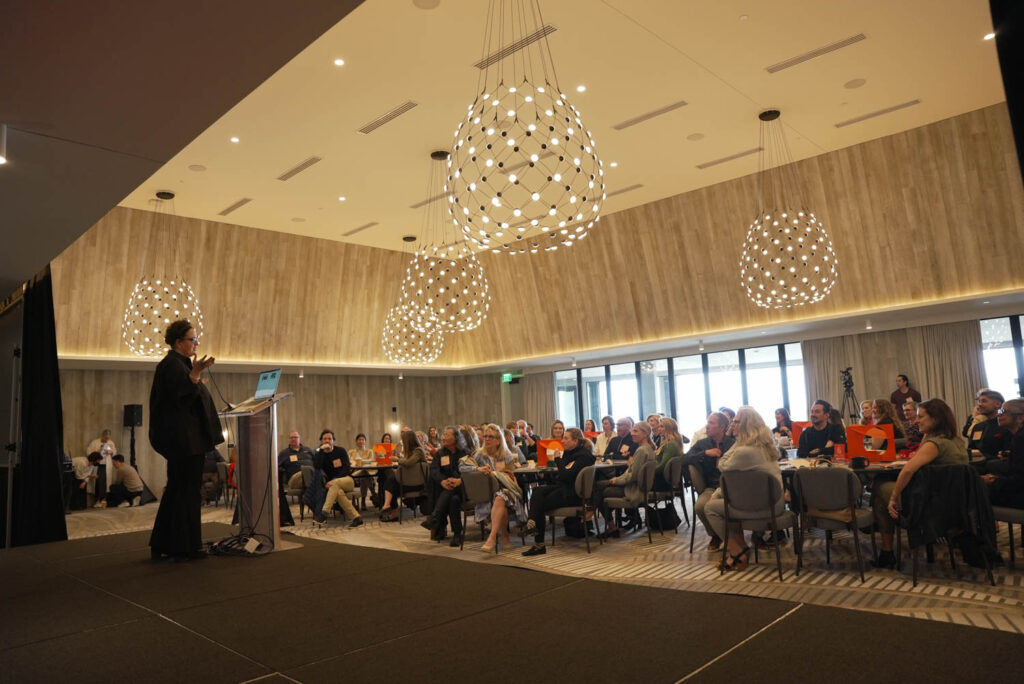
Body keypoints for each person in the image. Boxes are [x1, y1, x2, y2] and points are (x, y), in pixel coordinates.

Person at [148, 319, 223, 561]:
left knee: (178, 491)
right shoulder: (171, 365)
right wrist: (195, 374)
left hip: (187, 442)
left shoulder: (180, 365)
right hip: (184, 442)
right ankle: (185, 546)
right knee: (186, 492)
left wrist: (195, 375)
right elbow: (180, 397)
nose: (196, 344)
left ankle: (166, 544)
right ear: (179, 342)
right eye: (192, 339)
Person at [871, 398, 968, 569]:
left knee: (880, 486)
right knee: (884, 494)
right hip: (955, 503)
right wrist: (926, 433)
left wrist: (894, 498)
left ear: (935, 419)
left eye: (920, 417)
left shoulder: (934, 445)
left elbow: (908, 469)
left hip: (928, 504)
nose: (916, 421)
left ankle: (887, 552)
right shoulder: (957, 441)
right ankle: (887, 552)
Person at [704, 407, 785, 571]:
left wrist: (735, 441)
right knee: (725, 502)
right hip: (775, 502)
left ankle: (738, 551)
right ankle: (740, 549)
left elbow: (722, 464)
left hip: (762, 506)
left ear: (745, 425)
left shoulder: (744, 451)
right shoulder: (763, 446)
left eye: (736, 421)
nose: (732, 424)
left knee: (710, 508)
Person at [522, 427, 596, 555]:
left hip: (573, 494)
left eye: (566, 438)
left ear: (576, 441)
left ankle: (538, 542)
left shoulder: (583, 456)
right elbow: (561, 475)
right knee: (537, 491)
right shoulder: (569, 453)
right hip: (563, 488)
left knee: (538, 503)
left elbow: (566, 475)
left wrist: (557, 459)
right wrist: (545, 475)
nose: (562, 441)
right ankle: (532, 523)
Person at [462, 423, 524, 553]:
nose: (487, 439)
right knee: (500, 501)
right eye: (485, 436)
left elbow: (510, 477)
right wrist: (478, 468)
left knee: (501, 497)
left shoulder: (506, 455)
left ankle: (491, 538)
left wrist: (496, 474)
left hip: (508, 491)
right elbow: (462, 466)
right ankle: (505, 537)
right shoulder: (479, 455)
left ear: (498, 440)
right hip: (486, 495)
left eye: (491, 436)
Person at [593, 421, 657, 539]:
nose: (632, 433)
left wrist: (616, 481)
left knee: (597, 489)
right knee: (600, 486)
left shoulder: (642, 451)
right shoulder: (647, 449)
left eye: (635, 431)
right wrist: (616, 479)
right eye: (632, 431)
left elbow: (632, 476)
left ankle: (610, 527)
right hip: (637, 487)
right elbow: (630, 473)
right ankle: (609, 523)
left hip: (633, 490)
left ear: (646, 433)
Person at [682, 412, 734, 550]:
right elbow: (683, 459)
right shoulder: (702, 444)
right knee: (700, 506)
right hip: (711, 486)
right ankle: (715, 535)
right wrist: (704, 453)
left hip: (732, 487)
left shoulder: (733, 443)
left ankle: (744, 538)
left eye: (711, 423)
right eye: (707, 422)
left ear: (722, 427)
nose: (707, 426)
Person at [422, 426, 469, 545]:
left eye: (447, 435)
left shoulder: (464, 453)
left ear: (456, 439)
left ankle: (434, 517)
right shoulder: (440, 454)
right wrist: (443, 481)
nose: (443, 437)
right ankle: (457, 534)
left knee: (453, 493)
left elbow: (469, 471)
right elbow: (434, 470)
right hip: (446, 488)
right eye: (443, 434)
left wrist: (458, 480)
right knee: (453, 500)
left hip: (463, 488)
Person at [982, 399, 1024, 507]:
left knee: (974, 491)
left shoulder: (1020, 438)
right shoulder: (1018, 437)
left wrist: (993, 480)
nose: (998, 415)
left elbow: (1019, 482)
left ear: (1020, 417)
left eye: (1003, 412)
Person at [317, 429, 363, 528]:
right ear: (321, 441)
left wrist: (335, 480)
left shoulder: (340, 451)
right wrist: (321, 451)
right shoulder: (321, 454)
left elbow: (347, 468)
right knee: (338, 493)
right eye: (324, 439)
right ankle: (356, 518)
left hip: (347, 480)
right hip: (334, 485)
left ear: (333, 440)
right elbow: (317, 466)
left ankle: (324, 512)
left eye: (329, 439)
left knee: (335, 484)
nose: (327, 441)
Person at [379, 430, 427, 522]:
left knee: (390, 483)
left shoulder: (418, 451)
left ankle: (390, 510)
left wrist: (397, 459)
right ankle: (388, 507)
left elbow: (409, 463)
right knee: (391, 484)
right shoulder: (412, 452)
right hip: (410, 482)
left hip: (418, 484)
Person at [966, 389, 1012, 466]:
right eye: (979, 402)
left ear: (997, 404)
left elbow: (1008, 453)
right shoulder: (978, 427)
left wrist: (983, 454)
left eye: (984, 401)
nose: (979, 405)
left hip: (998, 466)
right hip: (977, 466)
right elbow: (971, 449)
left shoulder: (1006, 425)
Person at [653, 417, 683, 491]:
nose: (659, 429)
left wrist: (647, 471)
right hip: (663, 480)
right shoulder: (669, 443)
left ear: (669, 428)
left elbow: (662, 466)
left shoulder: (670, 445)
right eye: (659, 426)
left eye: (662, 426)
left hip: (662, 482)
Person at [349, 433, 377, 506]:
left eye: (362, 439)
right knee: (365, 475)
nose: (361, 441)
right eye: (359, 439)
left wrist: (359, 461)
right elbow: (349, 461)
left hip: (367, 472)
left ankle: (363, 501)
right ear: (356, 441)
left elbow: (371, 461)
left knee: (364, 474)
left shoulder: (369, 451)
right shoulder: (351, 452)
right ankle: (373, 494)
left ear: (365, 441)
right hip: (355, 473)